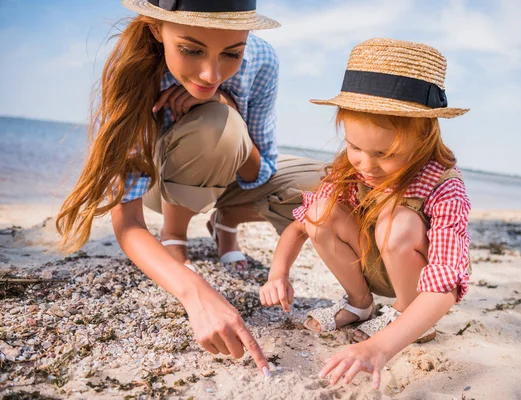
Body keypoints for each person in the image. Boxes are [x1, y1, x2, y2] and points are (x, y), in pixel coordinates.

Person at [55, 0, 323, 377]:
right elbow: (128, 221)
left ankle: (224, 220)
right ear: (155, 29)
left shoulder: (262, 60)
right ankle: (174, 238)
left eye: (231, 53)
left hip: (229, 177)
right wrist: (193, 290)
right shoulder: (132, 71)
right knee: (216, 127)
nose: (211, 72)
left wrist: (223, 102)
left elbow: (259, 172)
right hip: (161, 187)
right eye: (190, 49)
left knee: (330, 184)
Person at [259, 38, 471, 388]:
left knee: (398, 222)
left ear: (423, 138)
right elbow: (299, 227)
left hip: (416, 281)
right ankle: (360, 305)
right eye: (355, 146)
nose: (366, 165)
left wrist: (380, 348)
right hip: (367, 262)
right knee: (321, 211)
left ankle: (406, 317)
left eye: (384, 153)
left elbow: (447, 283)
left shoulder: (443, 185)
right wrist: (277, 274)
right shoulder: (353, 167)